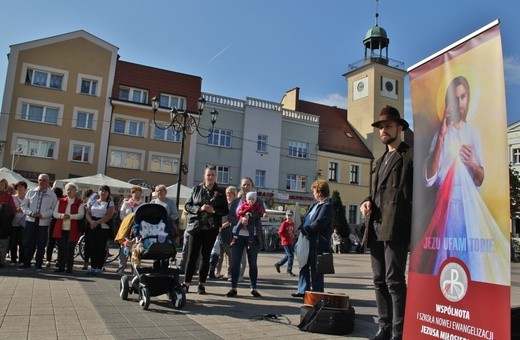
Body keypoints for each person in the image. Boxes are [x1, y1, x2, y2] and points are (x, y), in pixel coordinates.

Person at [414, 75, 509, 284]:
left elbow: (480, 179)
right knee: (444, 260)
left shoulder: (473, 133)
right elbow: (429, 178)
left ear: (469, 99)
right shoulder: (440, 134)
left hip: (469, 209)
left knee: (470, 260)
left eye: (463, 97)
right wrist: (440, 138)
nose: (460, 103)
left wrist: (473, 164)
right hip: (445, 208)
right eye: (455, 98)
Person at [360, 106, 413, 340]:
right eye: (381, 127)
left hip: (397, 226)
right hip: (376, 226)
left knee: (394, 280)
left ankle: (398, 331)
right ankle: (383, 326)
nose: (384, 130)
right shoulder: (380, 159)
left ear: (400, 128)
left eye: (388, 126)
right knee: (378, 280)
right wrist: (365, 202)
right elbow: (376, 193)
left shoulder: (410, 155)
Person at [183, 166, 229, 294]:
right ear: (204, 176)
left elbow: (225, 210)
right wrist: (200, 208)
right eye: (208, 175)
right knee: (192, 256)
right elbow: (188, 206)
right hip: (196, 227)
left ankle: (201, 284)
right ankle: (186, 283)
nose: (211, 177)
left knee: (206, 256)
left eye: (213, 175)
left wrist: (213, 210)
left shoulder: (220, 192)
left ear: (216, 176)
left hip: (211, 228)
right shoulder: (196, 189)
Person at [292, 179, 333, 297]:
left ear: (320, 192)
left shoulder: (327, 205)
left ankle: (316, 293)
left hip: (318, 242)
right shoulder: (315, 205)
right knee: (303, 265)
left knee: (316, 270)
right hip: (307, 240)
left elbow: (320, 222)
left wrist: (305, 230)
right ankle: (302, 290)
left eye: (314, 191)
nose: (313, 194)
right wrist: (300, 228)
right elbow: (307, 219)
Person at [225, 177, 265, 298]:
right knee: (235, 263)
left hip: (252, 236)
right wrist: (240, 220)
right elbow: (230, 217)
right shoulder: (237, 201)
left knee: (253, 263)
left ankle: (253, 288)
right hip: (238, 236)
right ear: (240, 186)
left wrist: (249, 217)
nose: (246, 187)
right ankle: (233, 288)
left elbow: (261, 213)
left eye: (248, 184)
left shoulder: (258, 201)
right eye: (244, 185)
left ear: (252, 186)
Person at [19, 173, 58, 270]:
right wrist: (31, 213)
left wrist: (43, 215)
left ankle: (38, 264)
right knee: (28, 242)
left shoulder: (52, 195)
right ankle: (26, 263)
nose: (42, 182)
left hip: (43, 222)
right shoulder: (31, 192)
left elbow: (53, 209)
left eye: (44, 180)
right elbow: (24, 206)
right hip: (30, 220)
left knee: (41, 244)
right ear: (38, 180)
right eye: (40, 180)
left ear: (48, 182)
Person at [52, 183, 85, 273]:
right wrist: (62, 216)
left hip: (72, 228)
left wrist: (70, 216)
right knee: (61, 248)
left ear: (75, 191)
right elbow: (55, 214)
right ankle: (61, 266)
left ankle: (69, 267)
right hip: (61, 228)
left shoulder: (79, 202)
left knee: (70, 248)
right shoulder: (61, 201)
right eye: (68, 189)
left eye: (71, 189)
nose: (69, 191)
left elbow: (81, 215)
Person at [85, 185, 115, 276]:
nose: (103, 192)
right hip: (92, 226)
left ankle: (99, 267)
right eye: (101, 190)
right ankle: (93, 267)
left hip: (103, 227)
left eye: (105, 191)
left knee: (101, 248)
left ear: (108, 193)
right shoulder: (93, 201)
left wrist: (97, 222)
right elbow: (88, 213)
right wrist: (91, 222)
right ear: (98, 192)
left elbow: (109, 216)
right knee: (92, 247)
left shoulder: (110, 203)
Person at [117, 186, 144, 276]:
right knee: (124, 249)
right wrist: (129, 221)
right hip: (126, 229)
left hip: (137, 230)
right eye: (135, 193)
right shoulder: (126, 203)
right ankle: (121, 268)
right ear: (132, 194)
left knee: (135, 249)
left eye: (139, 193)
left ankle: (134, 270)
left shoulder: (143, 205)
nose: (137, 195)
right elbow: (121, 215)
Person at [216, 186, 238, 279]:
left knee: (228, 254)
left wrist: (221, 227)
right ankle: (217, 271)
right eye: (227, 193)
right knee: (219, 253)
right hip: (220, 231)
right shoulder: (224, 204)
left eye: (230, 193)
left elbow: (231, 220)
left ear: (234, 195)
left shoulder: (234, 205)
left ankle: (228, 272)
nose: (228, 194)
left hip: (228, 231)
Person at [9, 180, 27, 267]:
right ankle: (13, 260)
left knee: (23, 243)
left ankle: (22, 260)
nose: (20, 189)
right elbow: (10, 208)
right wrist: (16, 210)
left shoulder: (28, 199)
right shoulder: (13, 198)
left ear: (25, 189)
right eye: (18, 187)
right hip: (14, 222)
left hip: (24, 223)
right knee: (13, 242)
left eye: (22, 187)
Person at [45, 187, 63, 268]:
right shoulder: (62, 200)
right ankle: (57, 260)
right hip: (59, 221)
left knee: (51, 242)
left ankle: (48, 260)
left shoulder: (54, 200)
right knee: (58, 242)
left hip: (54, 221)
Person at [274, 210, 296, 276]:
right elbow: (280, 232)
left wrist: (293, 235)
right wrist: (287, 234)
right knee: (291, 256)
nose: (289, 217)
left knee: (287, 256)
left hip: (290, 241)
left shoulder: (293, 224)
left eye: (291, 215)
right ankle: (289, 271)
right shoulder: (284, 223)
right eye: (288, 215)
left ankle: (278, 264)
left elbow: (293, 232)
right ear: (286, 216)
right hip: (285, 241)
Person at [0, 178, 16, 267]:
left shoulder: (8, 196)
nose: (0, 186)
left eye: (2, 184)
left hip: (4, 223)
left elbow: (13, 208)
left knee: (3, 243)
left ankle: (1, 261)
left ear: (5, 186)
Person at [81, 189, 97, 270]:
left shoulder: (87, 202)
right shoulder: (91, 201)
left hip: (90, 223)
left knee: (88, 245)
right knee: (90, 245)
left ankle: (87, 262)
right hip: (91, 223)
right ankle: (88, 262)